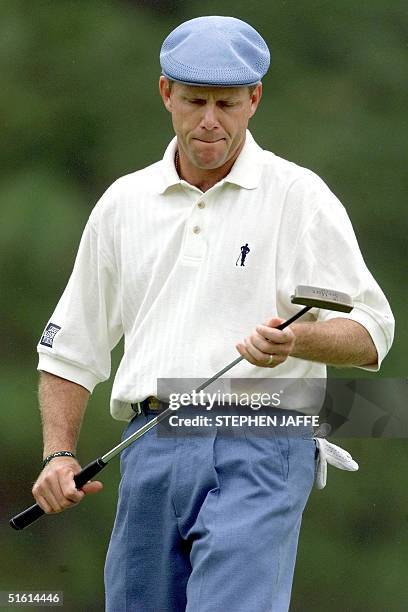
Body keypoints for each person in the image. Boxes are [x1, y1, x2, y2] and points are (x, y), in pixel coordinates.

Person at [32, 16, 394, 612]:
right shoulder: (124, 203)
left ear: (254, 99)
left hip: (264, 441)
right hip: (149, 443)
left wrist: (297, 341)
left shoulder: (299, 197)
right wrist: (58, 452)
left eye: (226, 103)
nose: (209, 120)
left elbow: (372, 332)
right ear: (164, 93)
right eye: (194, 100)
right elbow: (71, 347)